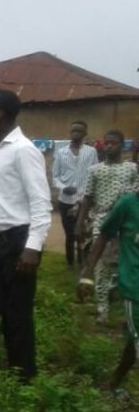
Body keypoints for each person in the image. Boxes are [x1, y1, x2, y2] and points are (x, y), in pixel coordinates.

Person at [0, 89, 51, 382]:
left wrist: (32, 248)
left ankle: (24, 378)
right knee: (5, 307)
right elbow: (6, 200)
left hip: (21, 240)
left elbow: (40, 203)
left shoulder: (23, 150)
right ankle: (13, 367)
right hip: (4, 237)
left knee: (18, 312)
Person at [79, 185, 139, 391]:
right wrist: (87, 274)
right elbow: (104, 236)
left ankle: (115, 381)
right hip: (134, 286)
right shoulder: (128, 204)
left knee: (134, 340)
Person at [76, 130, 139, 323]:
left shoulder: (132, 169)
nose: (109, 146)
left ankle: (117, 288)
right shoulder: (95, 170)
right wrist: (80, 222)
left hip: (126, 224)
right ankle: (102, 310)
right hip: (102, 222)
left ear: (122, 145)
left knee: (124, 262)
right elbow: (87, 198)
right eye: (107, 143)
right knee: (101, 266)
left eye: (114, 143)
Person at [51, 121, 98, 266]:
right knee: (69, 233)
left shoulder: (91, 152)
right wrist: (63, 187)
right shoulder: (61, 152)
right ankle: (70, 261)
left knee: (83, 232)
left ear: (85, 134)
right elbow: (55, 176)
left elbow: (95, 172)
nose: (75, 133)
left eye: (79, 131)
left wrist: (91, 194)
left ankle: (82, 261)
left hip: (84, 200)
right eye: (73, 131)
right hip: (66, 200)